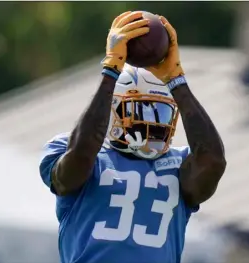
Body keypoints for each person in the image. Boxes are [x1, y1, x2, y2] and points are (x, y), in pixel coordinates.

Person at [39, 11, 226, 263]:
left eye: (160, 110)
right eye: (139, 109)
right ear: (113, 109)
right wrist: (110, 72)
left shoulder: (180, 165)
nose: (152, 121)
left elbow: (214, 161)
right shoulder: (72, 150)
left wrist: (176, 80)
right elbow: (80, 156)